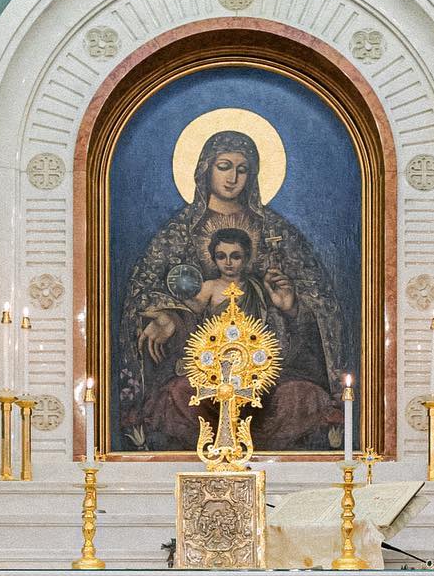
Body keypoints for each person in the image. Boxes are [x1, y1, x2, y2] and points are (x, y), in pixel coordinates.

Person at [119, 129, 347, 451]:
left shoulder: (277, 231)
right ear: (205, 169)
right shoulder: (179, 232)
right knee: (176, 398)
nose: (232, 178)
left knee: (305, 398)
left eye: (243, 169)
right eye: (224, 166)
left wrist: (292, 308)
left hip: (272, 372)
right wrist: (170, 317)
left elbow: (322, 304)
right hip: (201, 375)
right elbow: (143, 293)